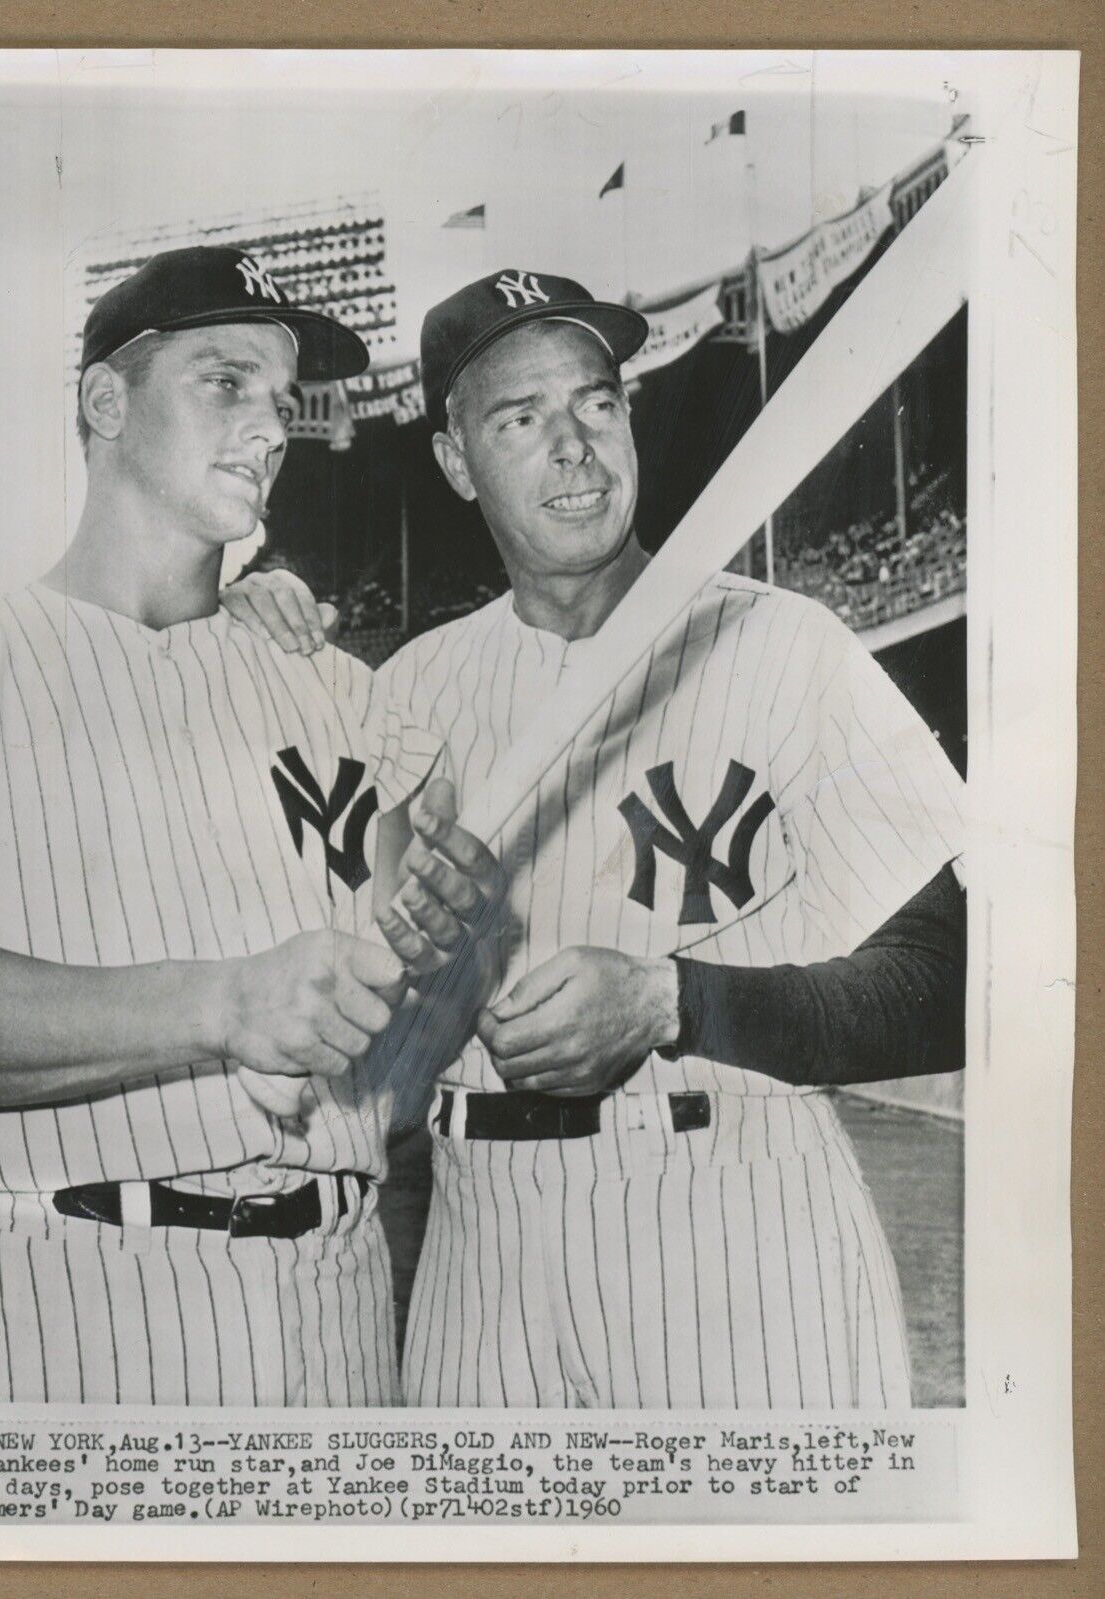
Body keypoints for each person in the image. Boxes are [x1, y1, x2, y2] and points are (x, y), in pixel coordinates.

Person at [239, 267, 967, 1410]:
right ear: (454, 461)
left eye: (595, 401)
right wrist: (230, 639)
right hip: (482, 1239)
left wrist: (675, 1003)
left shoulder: (783, 644)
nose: (573, 444)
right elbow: (348, 1032)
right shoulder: (408, 694)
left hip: (736, 1207)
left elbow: (952, 976)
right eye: (520, 418)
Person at [0, 246, 501, 1408]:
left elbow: (415, 1013)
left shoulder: (340, 692)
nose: (271, 426)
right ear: (105, 402)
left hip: (332, 1300)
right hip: (58, 1301)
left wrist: (450, 951)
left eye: (280, 399)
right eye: (225, 382)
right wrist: (226, 1006)